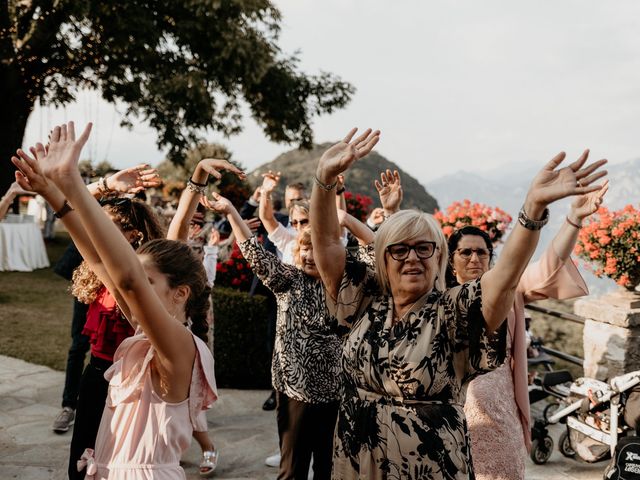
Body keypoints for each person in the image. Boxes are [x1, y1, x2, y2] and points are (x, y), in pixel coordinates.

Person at [310, 127, 607, 479]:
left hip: (427, 466)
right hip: (356, 459)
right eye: (400, 250)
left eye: (424, 248)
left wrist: (532, 210)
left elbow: (508, 275)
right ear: (382, 259)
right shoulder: (363, 301)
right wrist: (324, 180)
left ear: (438, 258)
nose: (412, 259)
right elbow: (328, 243)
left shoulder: (453, 312)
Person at [12, 121, 218, 479]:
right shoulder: (144, 330)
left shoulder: (181, 346)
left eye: (147, 280)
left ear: (180, 293)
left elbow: (127, 280)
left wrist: (73, 182)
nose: (133, 285)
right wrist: (53, 194)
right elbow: (96, 259)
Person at [202, 191, 371, 480]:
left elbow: (375, 251)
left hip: (337, 394)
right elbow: (253, 251)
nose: (307, 255)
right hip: (295, 392)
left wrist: (346, 219)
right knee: (292, 470)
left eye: (314, 248)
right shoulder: (288, 280)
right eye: (302, 248)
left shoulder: (349, 285)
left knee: (328, 470)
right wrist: (231, 210)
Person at [450, 181, 608, 480]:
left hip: (501, 408)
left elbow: (549, 264)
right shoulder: (438, 296)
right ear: (451, 259)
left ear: (491, 257)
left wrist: (575, 218)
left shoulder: (511, 290)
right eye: (465, 252)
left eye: (482, 253)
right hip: (455, 411)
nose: (474, 259)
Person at [50, 164, 163, 435]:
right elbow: (66, 207)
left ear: (134, 234)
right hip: (96, 373)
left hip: (131, 378)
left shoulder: (143, 274)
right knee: (78, 345)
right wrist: (106, 184)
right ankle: (68, 406)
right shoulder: (94, 267)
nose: (96, 232)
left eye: (106, 227)